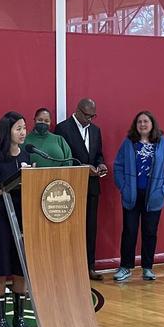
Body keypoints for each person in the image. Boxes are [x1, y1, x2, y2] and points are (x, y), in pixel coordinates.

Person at [112, 111, 164, 282]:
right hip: (131, 195)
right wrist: (123, 187)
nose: (142, 124)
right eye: (139, 122)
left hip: (153, 196)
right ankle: (125, 267)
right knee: (129, 232)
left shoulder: (162, 143)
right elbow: (117, 165)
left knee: (150, 232)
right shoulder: (128, 143)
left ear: (152, 124)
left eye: (146, 121)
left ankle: (147, 268)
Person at [0, 112, 31, 327]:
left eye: (24, 128)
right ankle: (0, 320)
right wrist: (9, 186)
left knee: (21, 271)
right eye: (18, 128)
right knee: (0, 271)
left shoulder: (27, 156)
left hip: (23, 220)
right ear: (8, 131)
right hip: (2, 221)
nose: (23, 132)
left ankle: (19, 319)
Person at [55, 98, 108, 281]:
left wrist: (100, 164)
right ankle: (69, 268)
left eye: (93, 116)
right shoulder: (63, 128)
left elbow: (99, 153)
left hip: (92, 186)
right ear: (77, 111)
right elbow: (62, 159)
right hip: (71, 185)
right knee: (70, 229)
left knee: (90, 228)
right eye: (87, 115)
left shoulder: (95, 130)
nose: (90, 119)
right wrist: (84, 168)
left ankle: (89, 267)